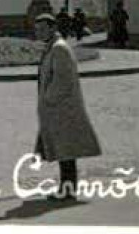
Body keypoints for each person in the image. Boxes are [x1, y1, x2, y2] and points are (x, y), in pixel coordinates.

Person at [33, 12, 103, 200]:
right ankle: (67, 188)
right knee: (64, 151)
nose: (38, 33)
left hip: (62, 108)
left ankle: (68, 190)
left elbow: (62, 81)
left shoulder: (59, 49)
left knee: (66, 151)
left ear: (52, 28)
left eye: (42, 29)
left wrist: (47, 99)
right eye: (36, 29)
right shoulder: (53, 47)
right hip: (58, 108)